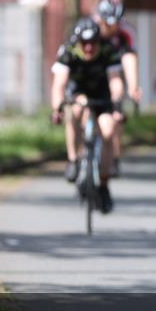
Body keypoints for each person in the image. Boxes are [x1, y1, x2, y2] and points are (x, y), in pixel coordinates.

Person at [50, 17, 123, 213]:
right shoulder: (69, 51)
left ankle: (105, 183)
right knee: (75, 111)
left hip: (102, 95)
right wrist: (56, 108)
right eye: (85, 43)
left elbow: (115, 81)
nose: (89, 48)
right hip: (78, 93)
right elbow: (59, 84)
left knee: (108, 131)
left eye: (93, 43)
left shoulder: (109, 50)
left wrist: (117, 105)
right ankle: (74, 160)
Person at [95, 0, 139, 175]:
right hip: (93, 72)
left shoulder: (125, 33)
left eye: (116, 23)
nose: (112, 28)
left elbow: (129, 59)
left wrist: (133, 86)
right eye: (108, 23)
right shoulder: (91, 29)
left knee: (116, 115)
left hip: (115, 74)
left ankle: (114, 155)